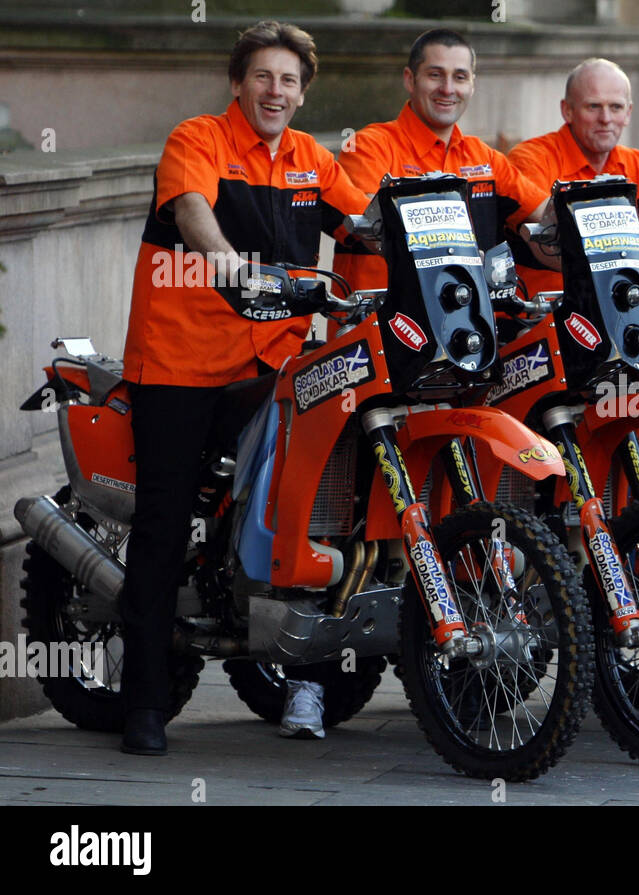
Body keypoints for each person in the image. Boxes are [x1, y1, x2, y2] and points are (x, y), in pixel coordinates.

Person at [119, 21, 370, 754]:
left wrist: (416, 236)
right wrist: (226, 260)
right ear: (239, 84)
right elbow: (192, 209)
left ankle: (303, 676)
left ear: (301, 93)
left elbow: (362, 219)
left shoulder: (309, 159)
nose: (276, 91)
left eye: (289, 81)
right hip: (182, 360)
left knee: (318, 502)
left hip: (276, 364)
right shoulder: (196, 139)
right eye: (263, 76)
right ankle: (142, 701)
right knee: (163, 523)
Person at [332, 28, 551, 293]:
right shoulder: (367, 146)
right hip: (382, 322)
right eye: (435, 75)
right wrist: (462, 257)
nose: (447, 89)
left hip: (464, 321)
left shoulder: (485, 157)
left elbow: (548, 215)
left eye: (459, 77)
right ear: (410, 79)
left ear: (472, 85)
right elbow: (375, 231)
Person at [506, 58, 639, 297]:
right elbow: (544, 244)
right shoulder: (532, 159)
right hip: (543, 317)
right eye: (593, 107)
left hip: (616, 311)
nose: (606, 119)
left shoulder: (636, 165)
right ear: (567, 110)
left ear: (628, 113)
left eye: (616, 107)